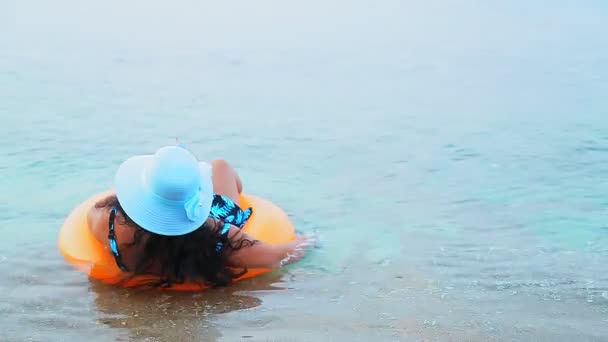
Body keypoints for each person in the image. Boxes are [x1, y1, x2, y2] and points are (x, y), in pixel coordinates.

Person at [87, 143, 311, 288]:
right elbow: (278, 256)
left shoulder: (109, 225)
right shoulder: (219, 237)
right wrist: (311, 239)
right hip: (201, 231)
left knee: (217, 168)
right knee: (221, 166)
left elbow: (91, 212)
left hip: (174, 224)